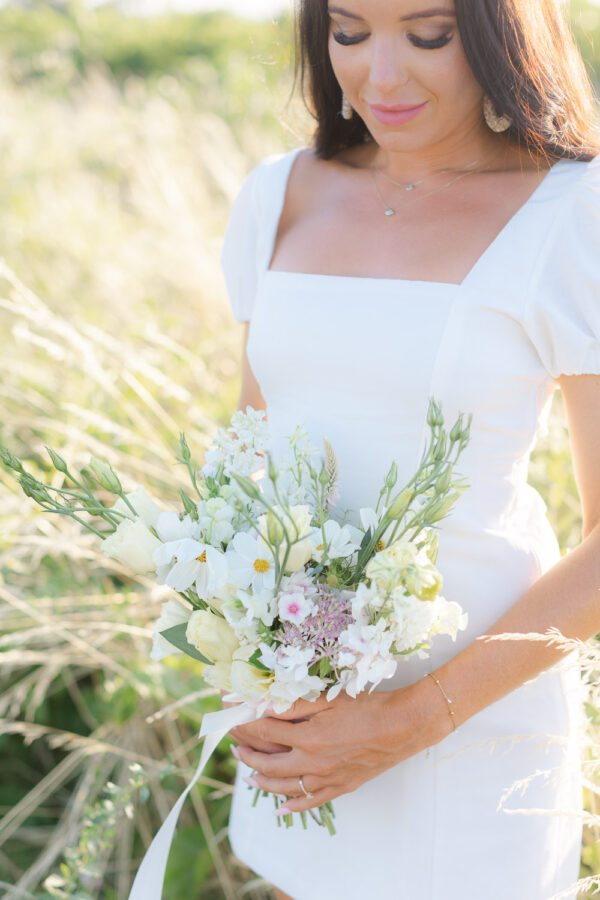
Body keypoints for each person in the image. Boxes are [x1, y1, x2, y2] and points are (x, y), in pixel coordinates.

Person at [219, 1, 600, 898]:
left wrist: (411, 720)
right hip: (300, 702)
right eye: (351, 32)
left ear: (502, 34)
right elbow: (245, 461)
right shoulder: (277, 194)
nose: (381, 77)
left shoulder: (576, 214)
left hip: (476, 720)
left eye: (428, 36)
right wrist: (243, 646)